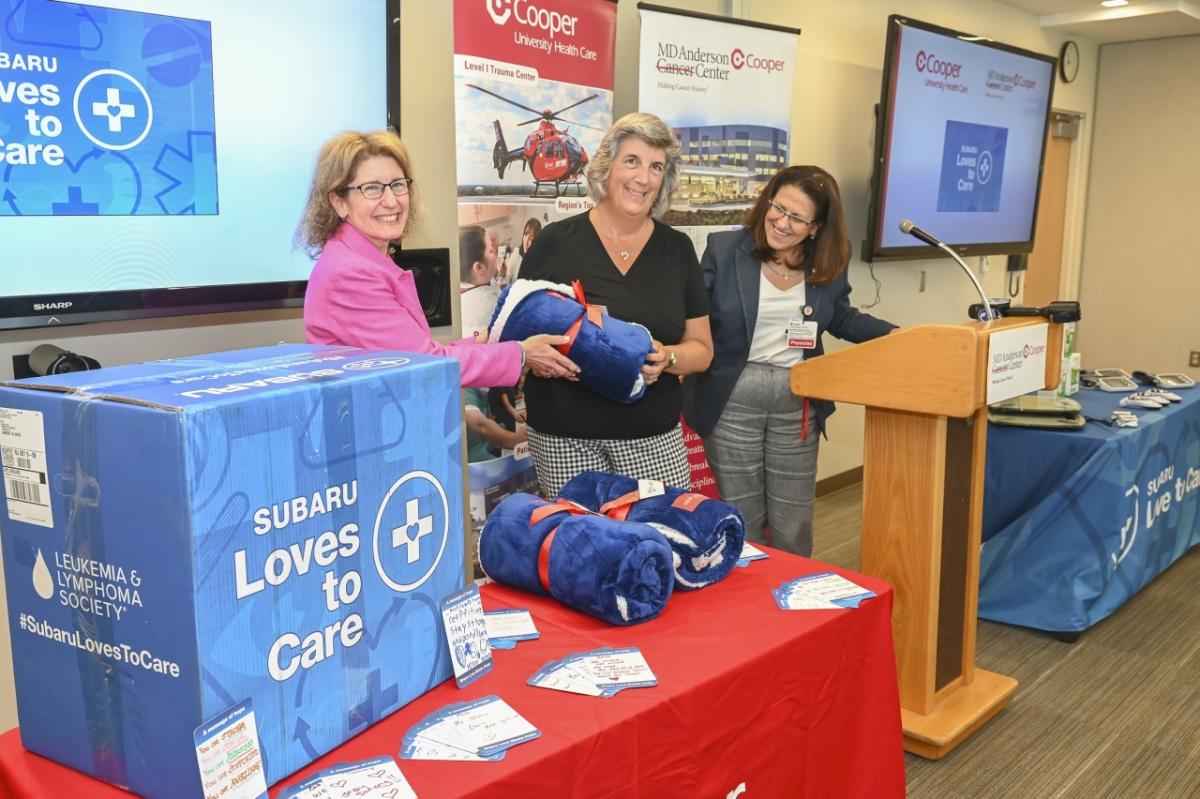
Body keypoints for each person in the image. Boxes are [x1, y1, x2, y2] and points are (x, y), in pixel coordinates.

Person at [683, 165, 897, 557]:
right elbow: (692, 314)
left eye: (797, 218)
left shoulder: (830, 262)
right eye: (777, 208)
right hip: (732, 399)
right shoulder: (724, 249)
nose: (781, 223)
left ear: (816, 226)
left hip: (797, 402)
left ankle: (792, 605)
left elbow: (842, 317)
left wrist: (898, 336)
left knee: (793, 522)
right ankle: (750, 609)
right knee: (743, 518)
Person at [518, 112, 713, 497]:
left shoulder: (677, 250)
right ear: (607, 168)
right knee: (581, 553)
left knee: (661, 546)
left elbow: (703, 350)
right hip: (564, 439)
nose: (643, 178)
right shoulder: (555, 242)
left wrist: (669, 358)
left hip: (653, 439)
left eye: (656, 166)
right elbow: (518, 336)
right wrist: (539, 357)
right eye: (632, 161)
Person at [298, 130, 578, 389]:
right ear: (339, 202)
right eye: (372, 188)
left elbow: (417, 355)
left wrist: (490, 338)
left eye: (397, 185)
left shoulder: (361, 258)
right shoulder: (350, 273)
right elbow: (424, 365)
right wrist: (521, 354)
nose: (392, 201)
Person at [458, 225, 501, 337]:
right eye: (491, 250)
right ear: (479, 268)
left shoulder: (474, 282)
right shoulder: (486, 309)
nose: (495, 252)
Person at [464, 388, 526, 462]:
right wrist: (514, 439)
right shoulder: (465, 391)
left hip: (489, 445)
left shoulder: (480, 391)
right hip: (475, 454)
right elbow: (480, 425)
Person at [504, 217, 542, 285]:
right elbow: (506, 279)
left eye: (531, 239)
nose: (526, 242)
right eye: (525, 234)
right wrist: (503, 274)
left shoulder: (540, 262)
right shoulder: (517, 253)